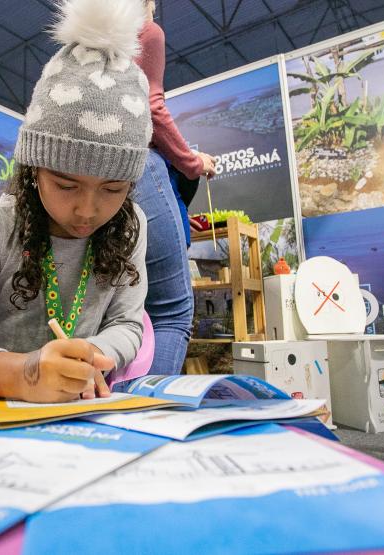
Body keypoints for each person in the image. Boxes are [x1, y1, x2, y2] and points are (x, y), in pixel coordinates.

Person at [0, 0, 150, 403]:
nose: (87, 210)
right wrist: (25, 373)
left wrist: (95, 355)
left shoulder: (131, 226)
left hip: (80, 419)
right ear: (33, 170)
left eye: (113, 189)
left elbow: (130, 325)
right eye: (65, 185)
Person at [131, 0, 216, 376]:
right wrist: (194, 162)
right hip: (136, 167)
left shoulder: (83, 40)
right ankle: (148, 417)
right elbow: (152, 108)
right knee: (169, 313)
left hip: (84, 177)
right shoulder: (146, 30)